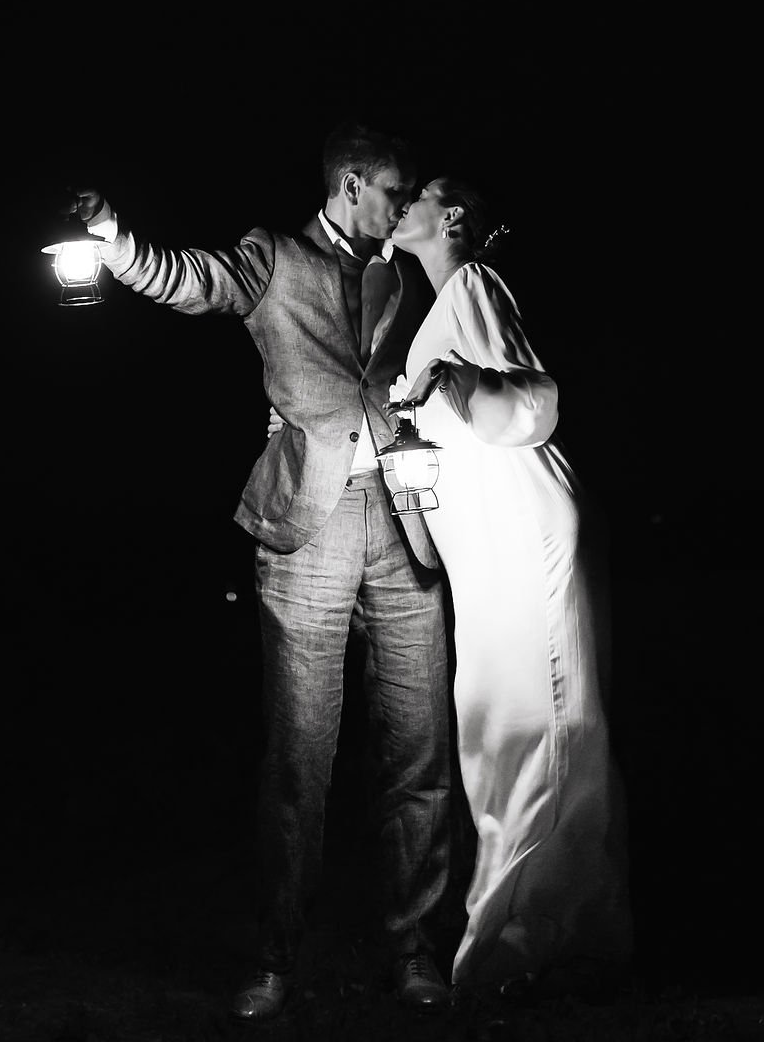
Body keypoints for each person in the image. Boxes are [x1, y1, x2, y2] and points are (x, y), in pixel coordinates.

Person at [60, 124, 453, 1023]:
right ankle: (276, 958)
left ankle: (416, 953)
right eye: (394, 190)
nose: (403, 205)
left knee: (418, 755)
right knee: (298, 763)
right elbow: (190, 280)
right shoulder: (273, 257)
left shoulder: (410, 269)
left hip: (409, 525)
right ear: (352, 183)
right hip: (305, 531)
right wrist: (117, 241)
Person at [382, 175, 633, 997]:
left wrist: (444, 381)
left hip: (523, 527)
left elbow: (527, 406)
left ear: (452, 217)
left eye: (418, 193)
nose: (402, 202)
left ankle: (511, 948)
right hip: (485, 544)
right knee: (494, 726)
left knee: (532, 723)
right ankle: (553, 932)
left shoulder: (472, 284)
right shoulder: (437, 302)